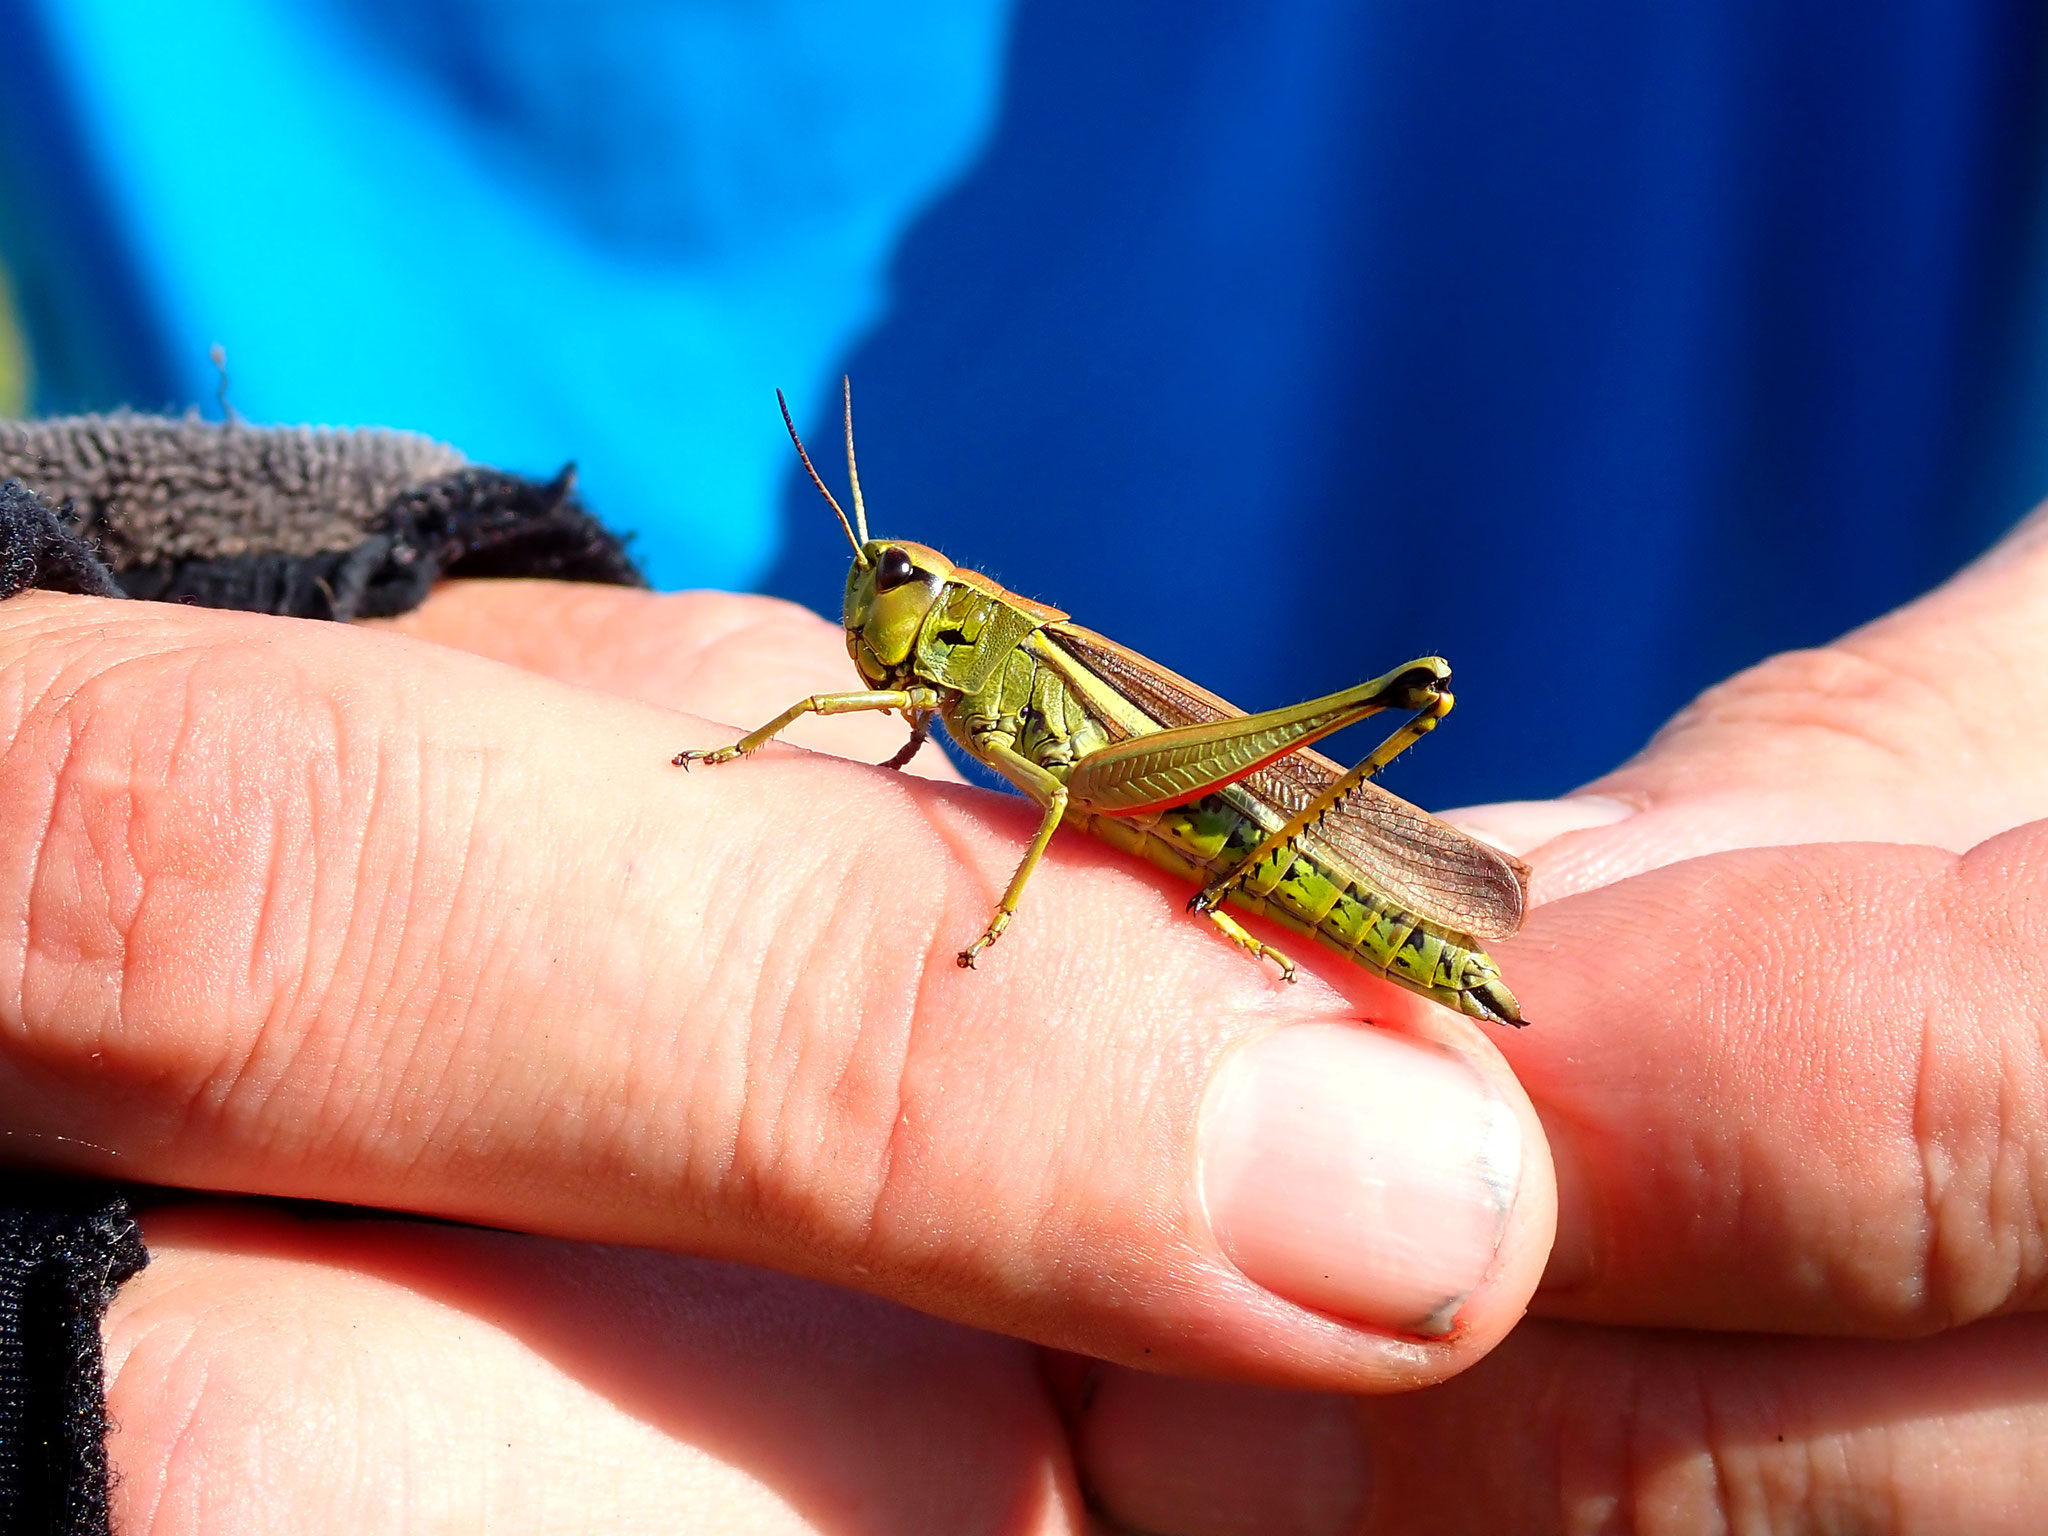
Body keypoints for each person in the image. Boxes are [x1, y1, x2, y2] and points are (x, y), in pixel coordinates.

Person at [2, 473, 2042, 1530]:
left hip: (1282, 842)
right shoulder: (911, 668)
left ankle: (1313, 876)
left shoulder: (1014, 668)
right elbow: (908, 738)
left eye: (905, 599)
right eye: (882, 600)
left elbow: (1047, 777)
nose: (891, 626)